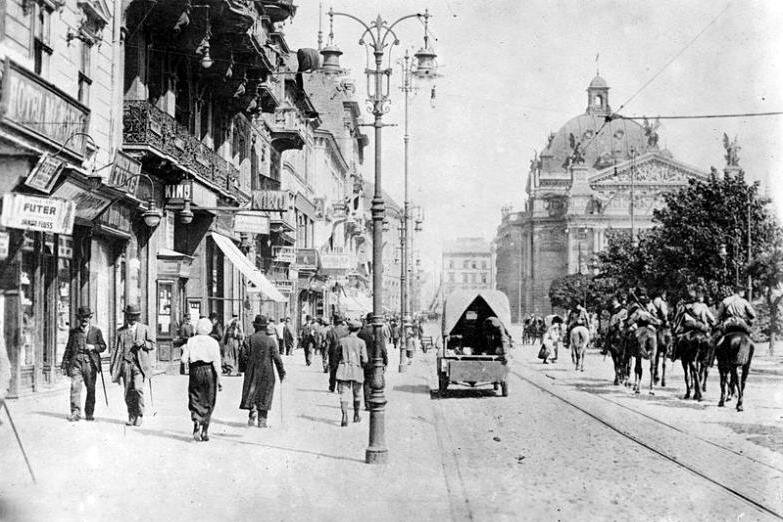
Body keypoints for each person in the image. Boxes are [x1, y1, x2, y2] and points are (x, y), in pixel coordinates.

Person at [110, 305, 154, 427]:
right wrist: (114, 366)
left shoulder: (144, 329)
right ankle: (131, 415)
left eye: (135, 316)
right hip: (126, 364)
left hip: (139, 365)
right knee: (128, 391)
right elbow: (115, 349)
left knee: (138, 388)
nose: (132, 318)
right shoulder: (120, 331)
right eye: (130, 316)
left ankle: (139, 414)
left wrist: (143, 343)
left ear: (138, 316)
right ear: (126, 316)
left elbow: (152, 345)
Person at [61, 306, 107, 422]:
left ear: (90, 318)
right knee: (75, 387)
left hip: (90, 364)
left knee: (90, 389)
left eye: (86, 317)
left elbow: (103, 346)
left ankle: (89, 413)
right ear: (79, 318)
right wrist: (64, 364)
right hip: (76, 363)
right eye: (82, 317)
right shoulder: (74, 332)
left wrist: (94, 347)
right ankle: (75, 412)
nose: (84, 319)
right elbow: (68, 348)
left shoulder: (96, 331)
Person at [240, 315, 285, 428]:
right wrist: (281, 372)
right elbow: (277, 358)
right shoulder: (270, 341)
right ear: (265, 327)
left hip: (252, 370)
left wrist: (244, 369)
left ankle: (252, 411)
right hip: (267, 371)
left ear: (255, 326)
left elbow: (243, 356)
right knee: (265, 393)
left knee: (252, 391)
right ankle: (262, 420)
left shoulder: (249, 339)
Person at [181, 318, 222, 442]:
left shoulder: (191, 341)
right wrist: (219, 380)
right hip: (209, 371)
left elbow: (183, 360)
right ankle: (205, 430)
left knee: (195, 396)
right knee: (209, 399)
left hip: (195, 371)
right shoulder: (213, 342)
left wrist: (185, 350)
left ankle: (196, 421)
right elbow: (217, 363)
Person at [336, 319, 368, 426]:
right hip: (356, 369)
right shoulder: (361, 342)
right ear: (358, 329)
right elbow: (365, 360)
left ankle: (344, 416)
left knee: (344, 394)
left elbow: (337, 355)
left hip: (343, 369)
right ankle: (356, 415)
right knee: (357, 393)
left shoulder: (342, 341)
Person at [359, 313, 387, 410]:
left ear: (367, 320)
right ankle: (375, 399)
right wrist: (386, 360)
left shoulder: (362, 332)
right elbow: (382, 347)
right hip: (377, 359)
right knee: (376, 379)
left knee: (367, 381)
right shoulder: (378, 331)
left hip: (366, 360)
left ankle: (367, 403)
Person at [325, 315, 350, 392]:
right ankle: (340, 385)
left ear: (334, 322)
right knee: (341, 368)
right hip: (343, 352)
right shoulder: (346, 331)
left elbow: (327, 344)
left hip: (333, 353)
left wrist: (325, 355)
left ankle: (332, 386)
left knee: (333, 370)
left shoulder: (330, 332)